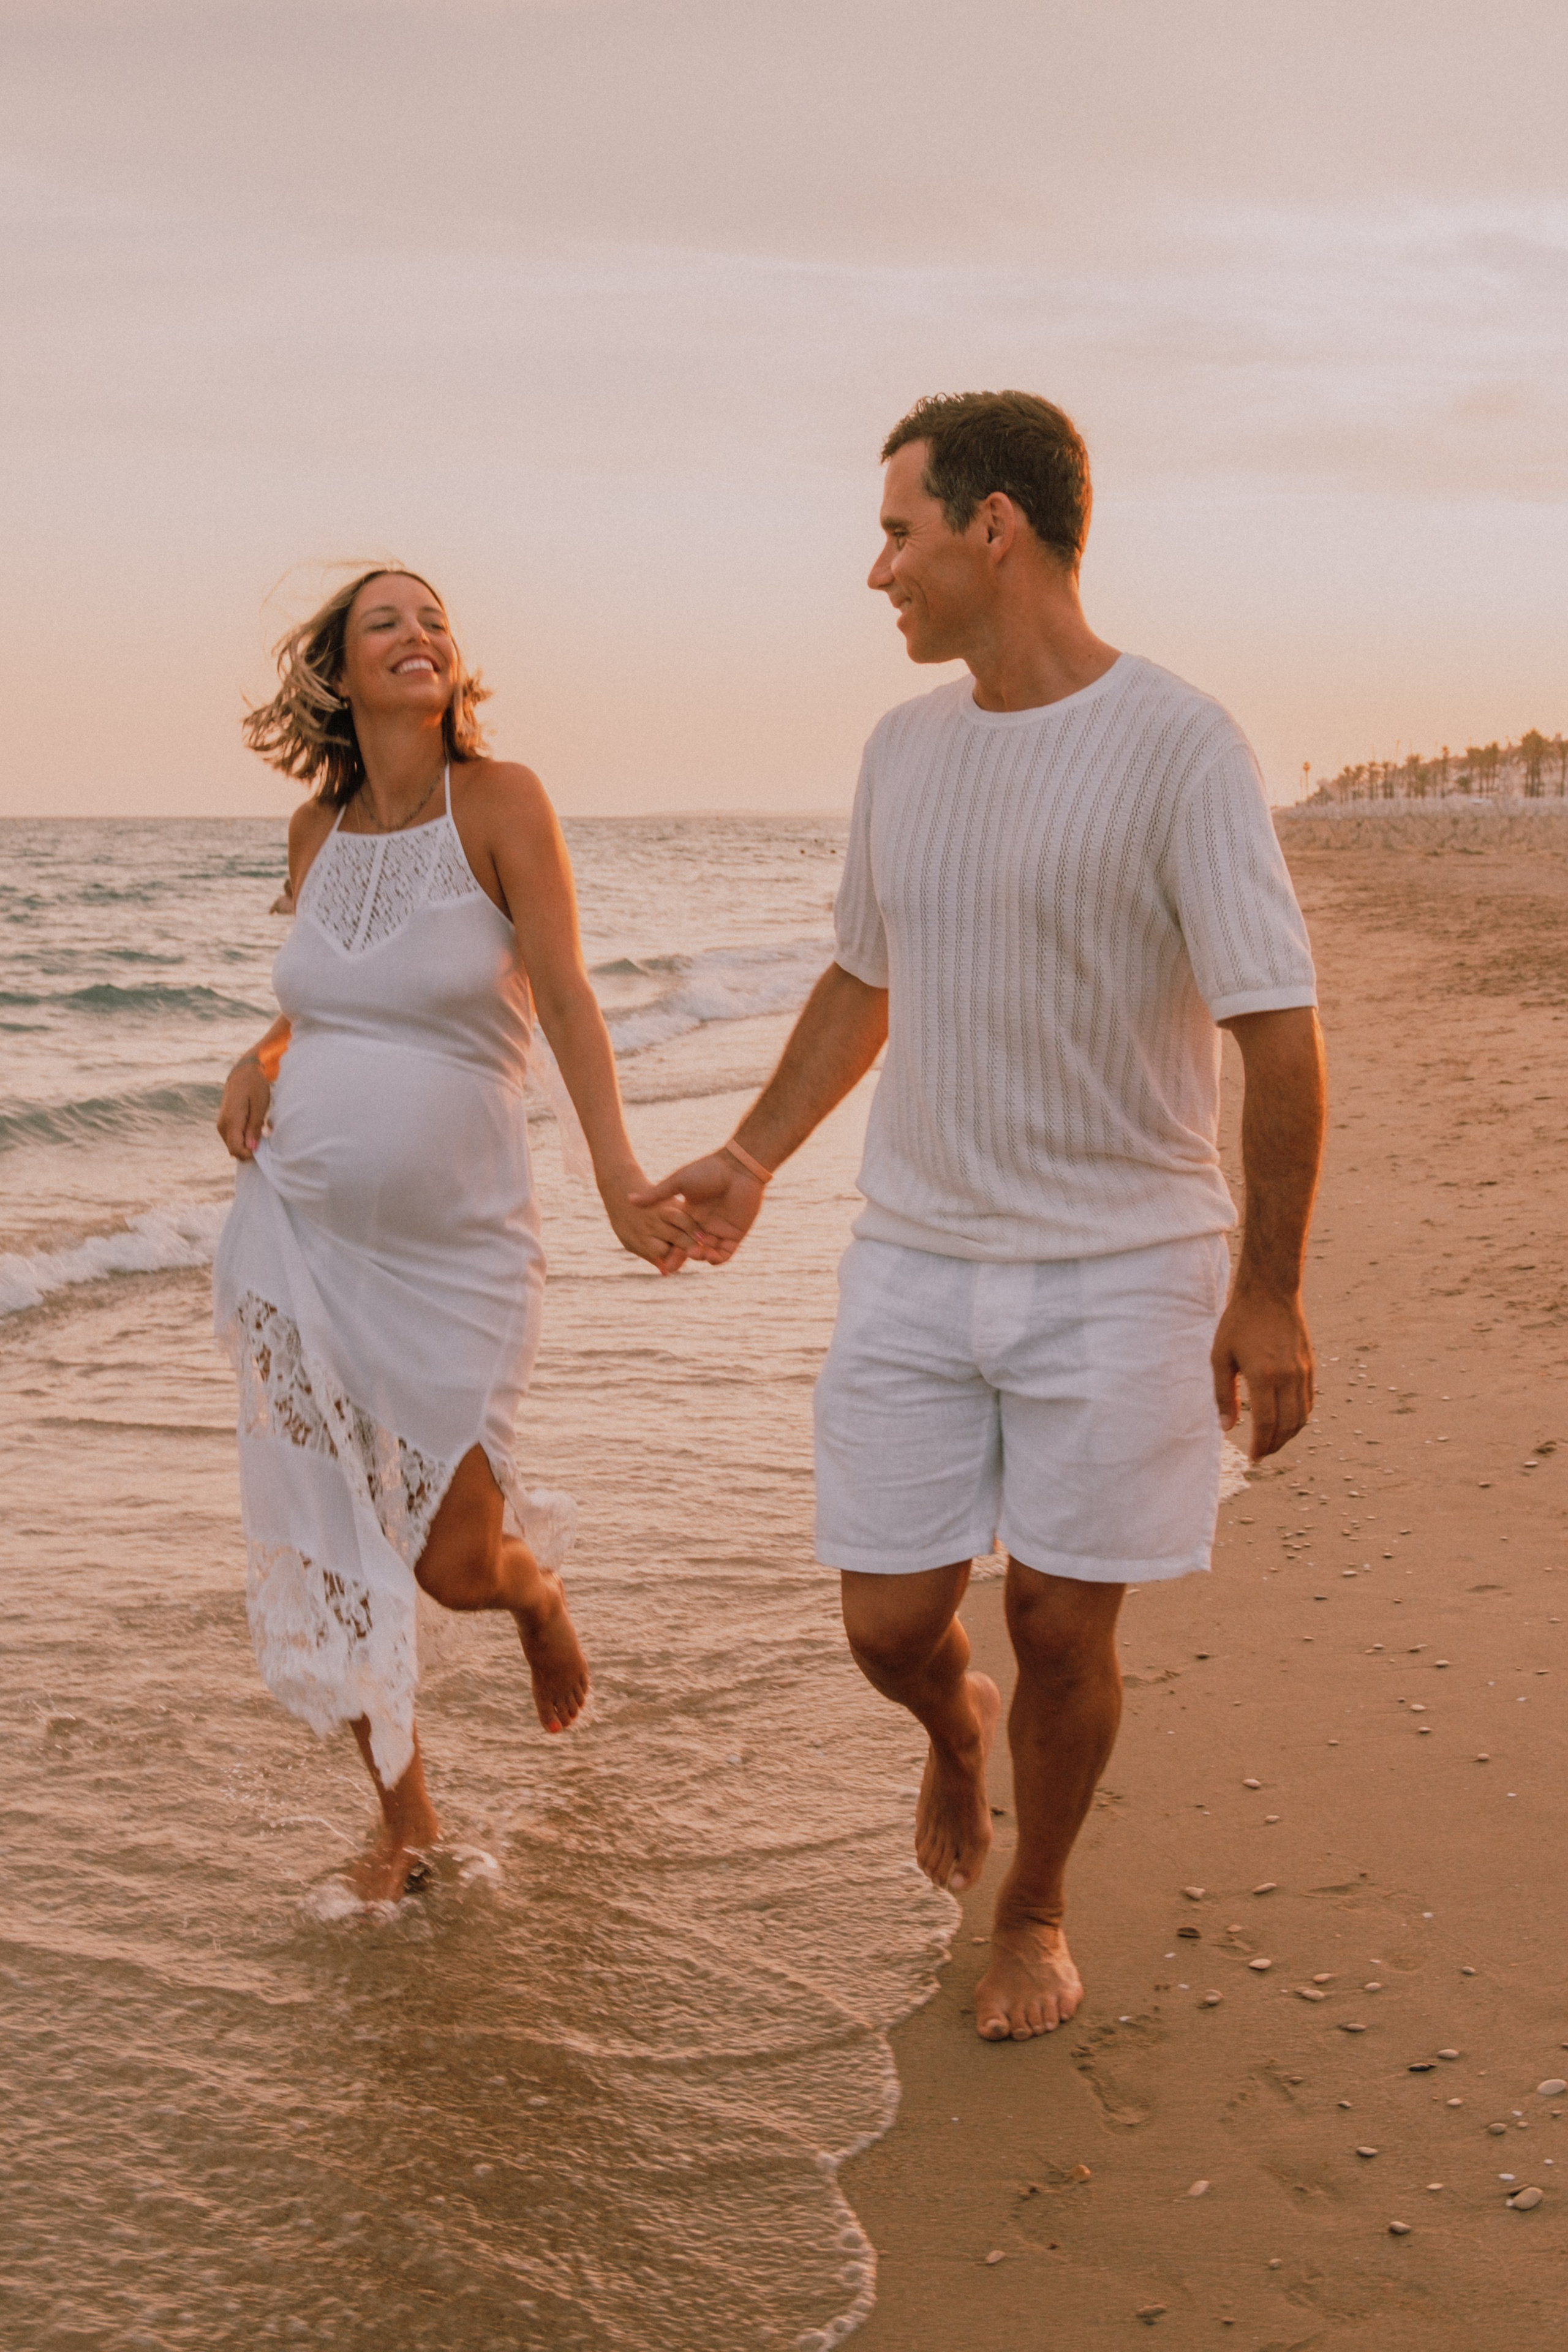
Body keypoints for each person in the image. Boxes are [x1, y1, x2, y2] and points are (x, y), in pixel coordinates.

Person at [636, 393, 1324, 2041]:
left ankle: (1035, 1905)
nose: (880, 570)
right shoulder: (903, 753)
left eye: (898, 531)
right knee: (888, 1618)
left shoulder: (1179, 743)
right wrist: (753, 1152)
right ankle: (955, 1733)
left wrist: (1275, 1293)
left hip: (1125, 1262)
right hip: (920, 1252)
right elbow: (868, 977)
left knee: (1062, 1622)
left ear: (992, 526)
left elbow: (1279, 1032)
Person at [214, 567, 694, 1902]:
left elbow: (569, 998)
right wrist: (259, 1051)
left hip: (458, 1250)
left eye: (433, 621)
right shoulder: (313, 834)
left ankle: (536, 1599)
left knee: (452, 1560)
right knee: (334, 1532)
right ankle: (405, 1819)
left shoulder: (500, 802)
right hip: (298, 1241)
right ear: (339, 675)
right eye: (387, 623)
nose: (419, 635)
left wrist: (615, 1175)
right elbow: (324, 999)